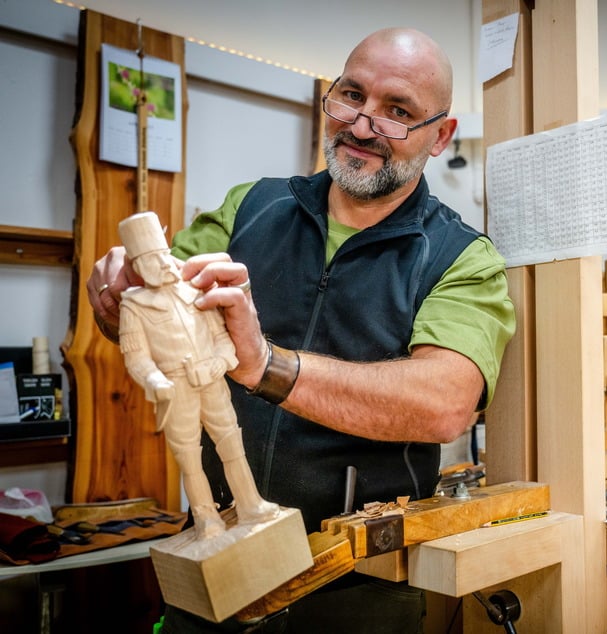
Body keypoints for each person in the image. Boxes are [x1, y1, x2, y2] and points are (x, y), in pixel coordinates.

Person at [87, 27, 515, 633]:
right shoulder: (250, 207)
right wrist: (121, 301)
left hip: (357, 587)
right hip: (220, 562)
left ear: (440, 135)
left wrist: (266, 364)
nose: (363, 125)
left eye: (398, 112)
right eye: (352, 95)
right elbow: (161, 312)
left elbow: (445, 404)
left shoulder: (460, 257)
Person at [117, 211, 280, 540]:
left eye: (164, 255)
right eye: (152, 259)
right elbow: (136, 358)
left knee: (232, 444)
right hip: (177, 388)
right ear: (138, 266)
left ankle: (250, 504)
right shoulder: (134, 307)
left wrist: (219, 362)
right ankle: (206, 517)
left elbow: (223, 339)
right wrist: (154, 380)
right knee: (189, 457)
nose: (164, 264)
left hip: (211, 380)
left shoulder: (195, 292)